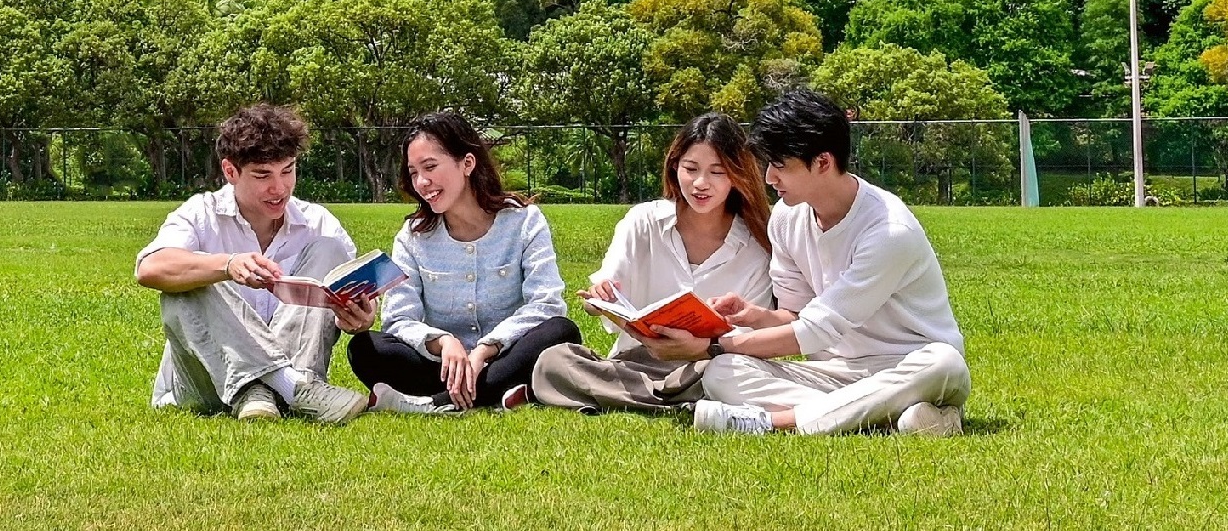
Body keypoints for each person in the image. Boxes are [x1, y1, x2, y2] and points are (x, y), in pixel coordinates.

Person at [667, 88, 971, 437]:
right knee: (723, 371)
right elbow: (795, 316)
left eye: (780, 165)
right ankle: (887, 417)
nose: (769, 178)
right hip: (835, 374)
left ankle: (774, 422)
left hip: (908, 367)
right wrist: (755, 316)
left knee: (941, 362)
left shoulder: (889, 231)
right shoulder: (785, 218)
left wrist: (710, 345)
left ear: (823, 162)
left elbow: (813, 332)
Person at [134, 103, 376, 424]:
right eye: (263, 175)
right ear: (230, 171)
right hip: (209, 384)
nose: (279, 188)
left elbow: (353, 307)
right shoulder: (201, 213)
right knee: (189, 277)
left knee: (329, 250)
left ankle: (280, 390)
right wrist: (227, 264)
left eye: (287, 170)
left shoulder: (318, 222)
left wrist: (359, 318)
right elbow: (149, 269)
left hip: (299, 364)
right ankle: (287, 388)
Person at [528, 113, 776, 415]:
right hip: (637, 360)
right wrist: (599, 297)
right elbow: (601, 299)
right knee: (553, 361)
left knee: (727, 375)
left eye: (717, 172)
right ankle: (677, 402)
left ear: (737, 176)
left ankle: (638, 398)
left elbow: (749, 339)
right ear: (675, 167)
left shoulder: (756, 246)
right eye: (691, 168)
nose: (701, 183)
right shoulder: (644, 221)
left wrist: (699, 347)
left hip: (708, 363)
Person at [348, 111, 583, 412]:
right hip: (441, 367)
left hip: (507, 355)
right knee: (366, 348)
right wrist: (444, 342)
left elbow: (546, 304)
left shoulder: (524, 222)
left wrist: (487, 348)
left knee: (562, 331)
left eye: (430, 167)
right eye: (413, 172)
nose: (422, 182)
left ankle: (435, 403)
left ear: (467, 163)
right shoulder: (412, 237)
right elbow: (398, 319)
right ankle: (503, 393)